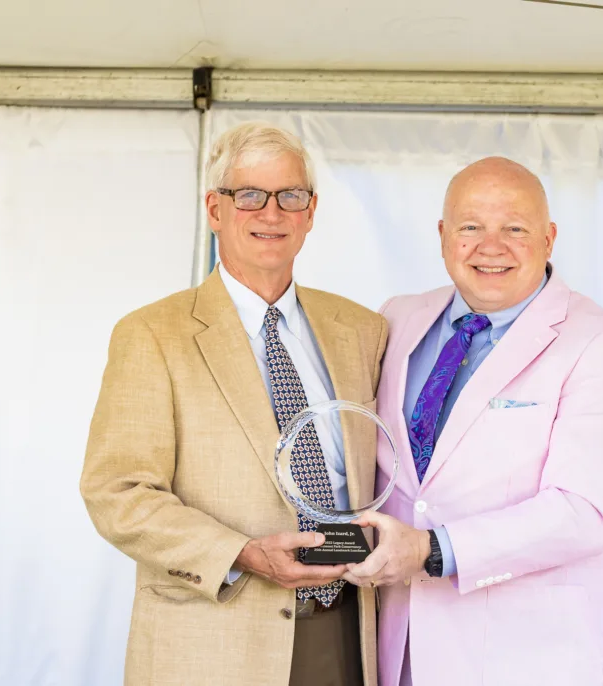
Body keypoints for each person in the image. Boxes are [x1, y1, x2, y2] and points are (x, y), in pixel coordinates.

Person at [80, 122, 386, 686]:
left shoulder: (362, 331)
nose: (271, 214)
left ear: (311, 212)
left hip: (346, 631)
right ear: (214, 209)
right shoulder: (152, 334)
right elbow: (116, 493)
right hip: (213, 638)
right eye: (249, 195)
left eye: (290, 196)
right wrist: (242, 552)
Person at [343, 157, 603, 686]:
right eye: (470, 227)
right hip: (401, 653)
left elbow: (580, 514)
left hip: (534, 659)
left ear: (549, 238)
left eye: (515, 228)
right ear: (443, 236)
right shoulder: (397, 317)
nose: (491, 246)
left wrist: (431, 550)